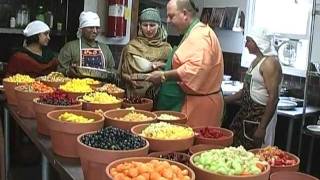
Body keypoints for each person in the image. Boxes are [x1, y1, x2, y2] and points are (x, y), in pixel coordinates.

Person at [146, 0, 224, 128]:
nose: (168, 21)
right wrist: (166, 65)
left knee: (196, 145)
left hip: (200, 108)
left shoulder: (201, 35)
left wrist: (163, 75)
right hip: (193, 101)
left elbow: (194, 69)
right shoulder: (193, 32)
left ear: (184, 14)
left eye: (171, 16)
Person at [225, 28, 282, 150]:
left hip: (259, 116)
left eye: (248, 41)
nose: (245, 45)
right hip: (246, 114)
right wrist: (223, 100)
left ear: (258, 42)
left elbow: (273, 98)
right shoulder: (256, 61)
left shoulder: (270, 63)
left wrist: (262, 128)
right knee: (235, 148)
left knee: (254, 154)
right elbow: (244, 91)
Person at [120, 8, 172, 98]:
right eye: (145, 25)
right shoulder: (131, 47)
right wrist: (129, 79)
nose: (148, 29)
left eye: (152, 25)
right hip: (134, 96)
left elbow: (172, 72)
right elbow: (122, 73)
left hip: (159, 96)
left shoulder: (166, 49)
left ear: (159, 26)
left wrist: (161, 65)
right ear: (140, 26)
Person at [57, 11, 115, 79]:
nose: (95, 31)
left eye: (97, 28)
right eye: (91, 27)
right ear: (82, 29)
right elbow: (58, 71)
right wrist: (68, 72)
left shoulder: (105, 48)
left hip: (102, 88)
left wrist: (107, 74)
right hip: (77, 87)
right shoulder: (70, 47)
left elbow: (112, 70)